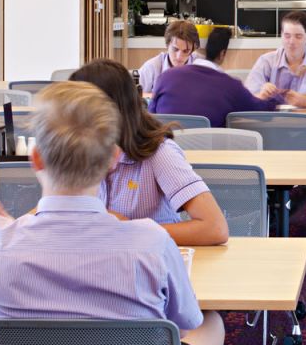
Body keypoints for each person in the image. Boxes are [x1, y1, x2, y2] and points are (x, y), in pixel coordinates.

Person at [0, 81, 225, 345]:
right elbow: (182, 324)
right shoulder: (151, 243)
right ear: (113, 158)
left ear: (35, 158)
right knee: (211, 323)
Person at [71, 59, 229, 246]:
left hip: (151, 263)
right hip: (103, 262)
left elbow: (214, 228)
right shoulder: (82, 151)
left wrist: (127, 230)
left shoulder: (159, 153)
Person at [150, 26, 281, 128]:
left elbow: (151, 117)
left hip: (168, 155)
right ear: (223, 53)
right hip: (209, 157)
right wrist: (276, 95)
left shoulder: (165, 78)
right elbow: (263, 113)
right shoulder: (230, 86)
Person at [245, 11, 306, 110]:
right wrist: (261, 96)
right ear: (281, 35)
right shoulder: (266, 61)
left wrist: (304, 101)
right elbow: (245, 101)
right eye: (287, 36)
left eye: (298, 36)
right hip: (273, 122)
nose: (291, 42)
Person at [136, 20, 201, 95]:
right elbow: (133, 95)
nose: (179, 57)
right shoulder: (152, 67)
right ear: (167, 45)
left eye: (186, 51)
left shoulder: (201, 65)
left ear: (192, 50)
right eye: (175, 49)